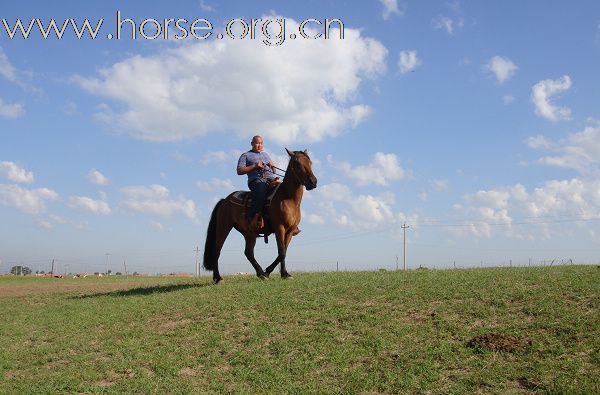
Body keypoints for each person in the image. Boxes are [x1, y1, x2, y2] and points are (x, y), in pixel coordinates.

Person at [237, 135, 278, 231]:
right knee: (261, 192)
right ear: (252, 144)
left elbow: (274, 171)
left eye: (261, 143)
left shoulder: (266, 155)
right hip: (256, 181)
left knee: (283, 190)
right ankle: (254, 217)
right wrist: (255, 166)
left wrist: (273, 166)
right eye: (257, 143)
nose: (259, 145)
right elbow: (239, 171)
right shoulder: (245, 155)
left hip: (271, 179)